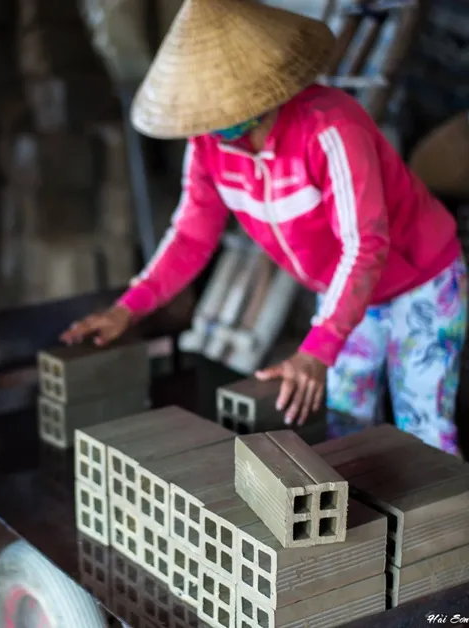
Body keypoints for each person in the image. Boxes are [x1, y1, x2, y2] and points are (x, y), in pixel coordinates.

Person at [61, 0, 467, 455]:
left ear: (259, 86)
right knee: (347, 427)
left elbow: (364, 246)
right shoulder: (208, 145)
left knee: (424, 430)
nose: (210, 120)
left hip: (422, 282)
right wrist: (129, 308)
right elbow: (191, 236)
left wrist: (316, 350)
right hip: (348, 294)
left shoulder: (329, 127)